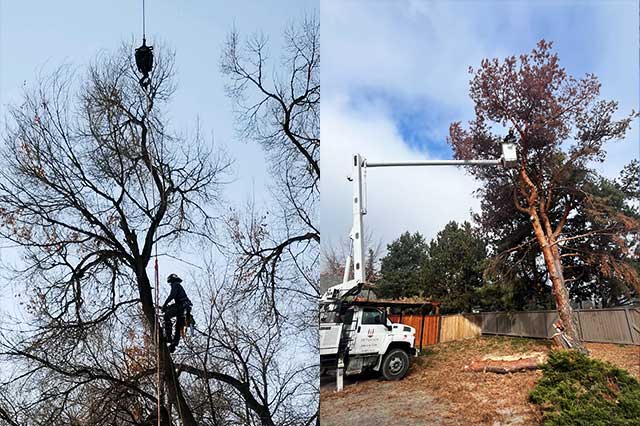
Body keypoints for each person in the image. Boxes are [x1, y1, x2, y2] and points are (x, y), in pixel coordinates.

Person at [162, 273, 192, 353]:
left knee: (166, 316)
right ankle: (174, 344)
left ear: (171, 281)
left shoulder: (175, 285)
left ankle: (168, 337)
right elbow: (178, 299)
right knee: (178, 326)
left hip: (182, 306)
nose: (170, 284)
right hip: (185, 307)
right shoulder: (179, 286)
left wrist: (165, 305)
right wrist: (169, 306)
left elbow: (172, 295)